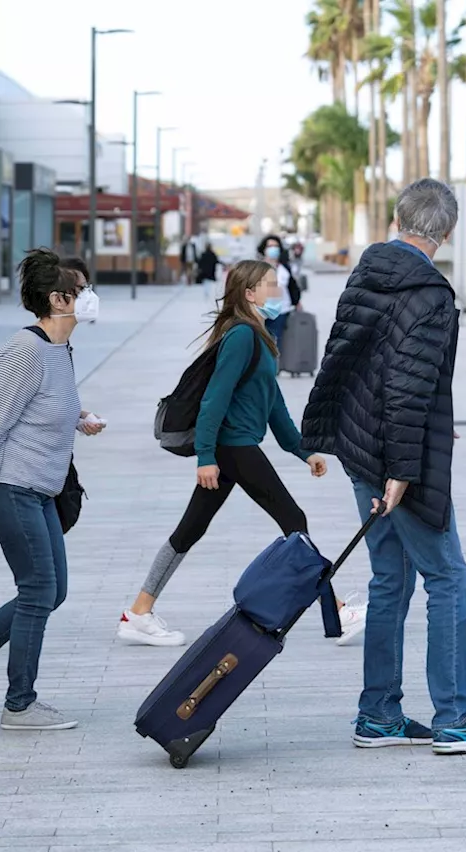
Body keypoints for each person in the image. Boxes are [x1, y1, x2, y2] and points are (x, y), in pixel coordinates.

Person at [302, 178, 466, 753]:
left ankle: (379, 716)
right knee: (447, 576)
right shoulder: (430, 293)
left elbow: (345, 360)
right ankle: (455, 719)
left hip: (359, 449)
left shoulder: (366, 272)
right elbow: (403, 384)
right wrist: (401, 470)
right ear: (445, 233)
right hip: (400, 459)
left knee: (390, 579)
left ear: (400, 220)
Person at [115, 260, 365, 647]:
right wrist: (205, 457)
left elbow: (273, 403)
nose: (276, 288)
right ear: (250, 293)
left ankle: (138, 611)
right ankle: (337, 611)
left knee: (190, 528)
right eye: (269, 283)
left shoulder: (259, 334)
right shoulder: (241, 337)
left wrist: (304, 451)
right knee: (293, 520)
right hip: (234, 447)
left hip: (235, 447)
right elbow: (214, 398)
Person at [0, 249, 105, 732]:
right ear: (58, 299)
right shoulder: (24, 350)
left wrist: (81, 418)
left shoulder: (61, 348)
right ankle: (20, 704)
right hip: (13, 488)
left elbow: (48, 402)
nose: (90, 297)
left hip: (42, 489)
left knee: (55, 590)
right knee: (38, 591)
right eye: (82, 289)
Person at [258, 235, 302, 357]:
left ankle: (273, 367)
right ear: (264, 248)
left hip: (281, 309)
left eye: (276, 246)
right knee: (261, 339)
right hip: (261, 309)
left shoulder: (284, 267)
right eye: (270, 246)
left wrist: (297, 301)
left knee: (275, 340)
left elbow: (292, 286)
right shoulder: (257, 267)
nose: (273, 248)